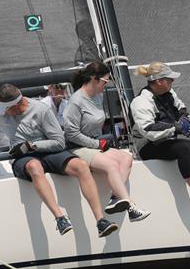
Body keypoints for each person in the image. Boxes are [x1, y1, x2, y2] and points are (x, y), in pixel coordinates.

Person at [0, 83, 119, 238]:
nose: (3, 113)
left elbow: (59, 142)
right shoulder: (2, 117)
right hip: (23, 158)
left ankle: (101, 221)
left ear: (16, 105)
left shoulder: (41, 110)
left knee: (81, 166)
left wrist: (32, 146)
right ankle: (60, 218)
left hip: (47, 151)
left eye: (5, 109)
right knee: (35, 167)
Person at [64, 62, 150, 222]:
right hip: (77, 148)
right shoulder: (75, 102)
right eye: (105, 81)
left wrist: (98, 144)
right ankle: (131, 207)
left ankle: (116, 197)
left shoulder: (98, 96)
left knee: (126, 158)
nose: (106, 84)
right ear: (93, 79)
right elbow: (71, 133)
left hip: (96, 144)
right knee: (111, 165)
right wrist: (97, 144)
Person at [130, 61, 190, 203]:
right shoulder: (141, 101)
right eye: (169, 79)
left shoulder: (169, 93)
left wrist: (184, 121)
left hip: (167, 141)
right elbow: (148, 130)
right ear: (159, 81)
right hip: (148, 146)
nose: (173, 81)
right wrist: (175, 128)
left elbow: (181, 109)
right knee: (183, 148)